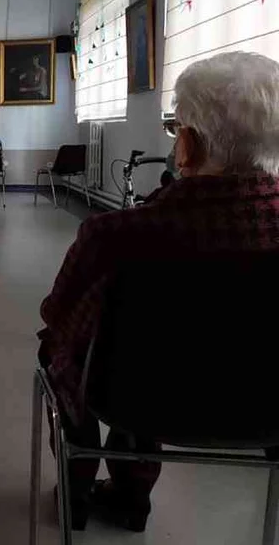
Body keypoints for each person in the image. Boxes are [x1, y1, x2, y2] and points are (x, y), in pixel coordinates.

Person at [38, 51, 279, 532]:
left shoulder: (118, 235)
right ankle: (125, 495)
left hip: (136, 399)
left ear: (187, 144)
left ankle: (85, 484)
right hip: (269, 410)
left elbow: (56, 313)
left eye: (174, 128)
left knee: (64, 349)